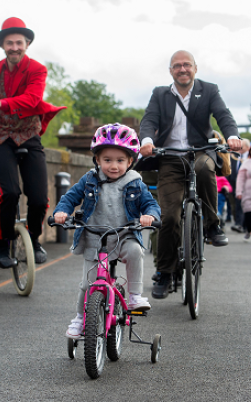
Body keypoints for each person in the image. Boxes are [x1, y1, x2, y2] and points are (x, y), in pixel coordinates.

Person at [138, 50, 241, 299]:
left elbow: (223, 115)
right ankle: (164, 272)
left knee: (205, 168)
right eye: (177, 66)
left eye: (186, 65)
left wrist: (233, 136)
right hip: (170, 156)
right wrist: (148, 140)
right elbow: (149, 120)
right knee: (169, 217)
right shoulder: (160, 94)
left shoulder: (209, 90)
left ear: (195, 68)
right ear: (170, 70)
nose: (182, 69)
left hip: (200, 151)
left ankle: (212, 225)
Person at [0, 17, 65, 269]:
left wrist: (2, 103)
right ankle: (4, 243)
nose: (14, 47)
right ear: (3, 46)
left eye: (19, 42)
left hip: (28, 135)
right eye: (9, 43)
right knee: (9, 192)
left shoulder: (37, 69)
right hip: (0, 137)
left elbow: (32, 100)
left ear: (27, 44)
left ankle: (34, 238)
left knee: (40, 198)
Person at [52, 123, 161, 339]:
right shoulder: (89, 179)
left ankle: (134, 296)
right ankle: (80, 318)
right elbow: (70, 197)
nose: (113, 165)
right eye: (107, 160)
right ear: (97, 160)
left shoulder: (135, 183)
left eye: (120, 160)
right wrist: (61, 212)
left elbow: (151, 204)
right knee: (87, 284)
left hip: (124, 235)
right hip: (95, 238)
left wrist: (150, 216)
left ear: (130, 162)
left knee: (135, 251)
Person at [229, 139, 251, 234]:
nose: (239, 148)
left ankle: (244, 225)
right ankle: (239, 223)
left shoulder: (250, 158)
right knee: (237, 204)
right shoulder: (235, 156)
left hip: (247, 185)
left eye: (241, 147)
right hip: (234, 183)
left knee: (245, 204)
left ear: (247, 147)